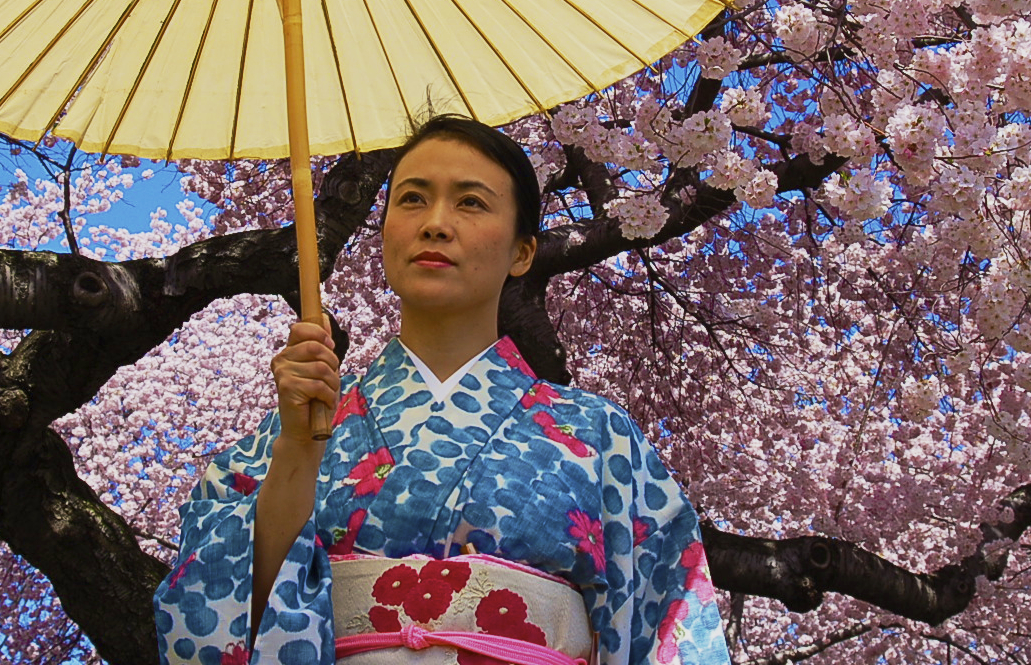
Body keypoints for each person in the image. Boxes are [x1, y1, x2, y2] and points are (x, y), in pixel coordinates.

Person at [155, 116, 729, 665]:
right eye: (411, 198)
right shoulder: (286, 438)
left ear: (523, 251)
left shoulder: (600, 438)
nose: (435, 221)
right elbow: (210, 629)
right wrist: (297, 459)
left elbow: (669, 627)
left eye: (471, 201)